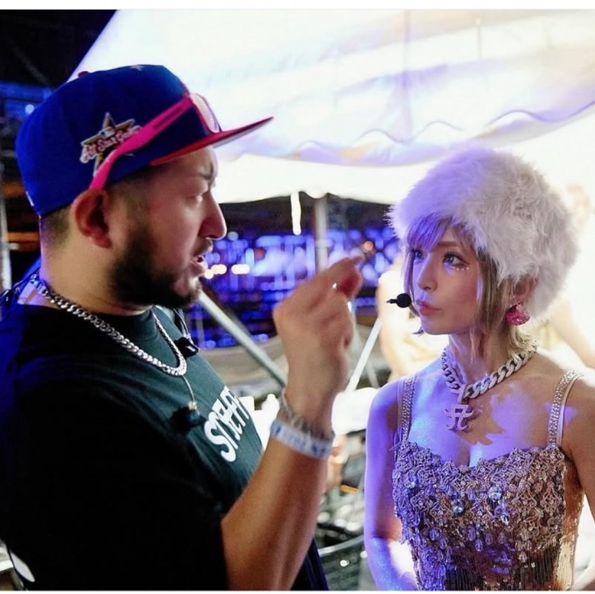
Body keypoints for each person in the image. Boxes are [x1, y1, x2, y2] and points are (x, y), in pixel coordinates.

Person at [0, 64, 363, 590]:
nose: (218, 224)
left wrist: (294, 455)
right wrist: (307, 404)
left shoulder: (143, 304)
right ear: (97, 219)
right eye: (195, 194)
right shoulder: (50, 407)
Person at [363, 146, 595, 590]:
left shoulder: (576, 405)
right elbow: (379, 536)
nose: (422, 279)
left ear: (518, 285)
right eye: (417, 253)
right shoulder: (394, 406)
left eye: (452, 259)